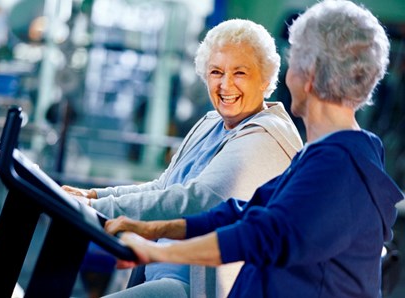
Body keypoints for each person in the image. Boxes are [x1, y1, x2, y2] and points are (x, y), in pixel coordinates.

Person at [103, 1, 405, 297]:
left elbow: (262, 235)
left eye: (292, 60)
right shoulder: (340, 154)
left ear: (309, 75)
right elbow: (241, 213)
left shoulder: (336, 165)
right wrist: (154, 230)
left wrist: (161, 254)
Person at [63, 19, 303, 297]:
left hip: (194, 288)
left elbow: (197, 200)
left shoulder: (267, 136)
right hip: (157, 273)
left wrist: (104, 208)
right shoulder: (210, 122)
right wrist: (91, 196)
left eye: (240, 73)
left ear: (265, 78)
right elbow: (162, 187)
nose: (225, 85)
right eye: (216, 72)